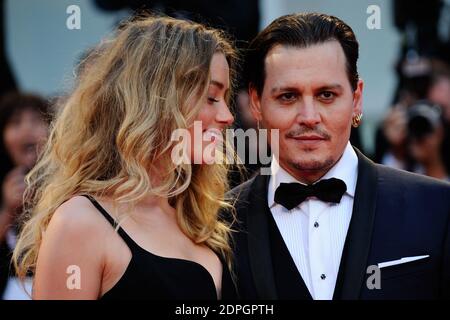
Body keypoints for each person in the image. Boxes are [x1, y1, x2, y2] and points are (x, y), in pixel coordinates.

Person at [13, 15, 237, 300]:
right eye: (211, 97)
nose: (228, 116)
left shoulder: (198, 217)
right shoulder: (80, 222)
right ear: (155, 99)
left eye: (226, 98)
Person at [228, 13, 450, 300]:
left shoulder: (437, 207)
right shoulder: (220, 223)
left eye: (326, 95)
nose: (309, 117)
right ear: (257, 103)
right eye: (288, 97)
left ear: (356, 98)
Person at [0, 92, 50, 299]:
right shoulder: (6, 183)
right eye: (16, 123)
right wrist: (8, 209)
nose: (27, 129)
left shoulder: (69, 175)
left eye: (36, 120)